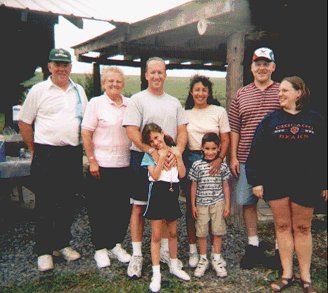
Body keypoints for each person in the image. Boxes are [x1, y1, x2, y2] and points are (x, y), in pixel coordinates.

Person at [246, 76, 327, 293]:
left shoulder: (316, 120)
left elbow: (323, 154)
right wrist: (256, 180)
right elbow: (256, 152)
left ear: (298, 93)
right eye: (279, 91)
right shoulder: (270, 120)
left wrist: (324, 181)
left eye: (285, 90)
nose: (280, 94)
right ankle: (286, 274)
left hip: (306, 182)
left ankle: (306, 277)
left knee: (302, 228)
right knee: (281, 226)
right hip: (276, 181)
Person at [19, 48, 88, 271]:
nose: (61, 68)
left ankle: (62, 244)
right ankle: (44, 250)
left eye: (65, 64)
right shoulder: (38, 91)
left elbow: (86, 123)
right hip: (46, 153)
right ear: (49, 66)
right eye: (57, 64)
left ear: (70, 67)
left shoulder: (78, 91)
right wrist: (33, 150)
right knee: (46, 203)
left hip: (72, 153)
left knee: (68, 202)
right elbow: (24, 122)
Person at [122, 57, 188, 278]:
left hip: (169, 162)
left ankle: (169, 256)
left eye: (161, 72)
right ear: (146, 75)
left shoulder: (174, 102)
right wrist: (151, 151)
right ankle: (137, 255)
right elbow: (131, 131)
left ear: (165, 75)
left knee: (168, 209)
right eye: (153, 72)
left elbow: (182, 131)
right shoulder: (137, 100)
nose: (157, 76)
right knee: (139, 207)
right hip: (144, 160)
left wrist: (176, 150)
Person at [228, 47, 281, 269]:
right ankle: (253, 246)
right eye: (257, 64)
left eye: (265, 63)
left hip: (276, 162)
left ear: (273, 67)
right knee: (247, 203)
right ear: (251, 67)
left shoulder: (281, 91)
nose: (261, 68)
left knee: (278, 205)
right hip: (246, 160)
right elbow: (235, 128)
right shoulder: (241, 94)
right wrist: (233, 156)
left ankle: (280, 250)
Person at [81, 67, 132, 269]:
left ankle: (115, 244)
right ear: (104, 83)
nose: (114, 85)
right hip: (101, 165)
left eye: (118, 82)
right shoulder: (96, 104)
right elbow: (86, 133)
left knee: (120, 208)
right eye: (110, 81)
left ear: (123, 84)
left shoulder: (129, 104)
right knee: (99, 208)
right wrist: (92, 159)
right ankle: (100, 248)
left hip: (124, 164)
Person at [183, 75, 230, 268]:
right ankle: (194, 250)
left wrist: (219, 159)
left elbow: (225, 139)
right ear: (191, 92)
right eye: (197, 90)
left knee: (214, 204)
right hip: (193, 160)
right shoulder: (185, 113)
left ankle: (214, 253)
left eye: (204, 90)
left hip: (215, 160)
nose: (200, 93)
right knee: (193, 207)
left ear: (208, 92)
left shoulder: (218, 111)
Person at [141, 123, 190, 292]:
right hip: (157, 193)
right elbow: (154, 175)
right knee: (156, 235)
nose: (155, 142)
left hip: (172, 192)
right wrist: (161, 157)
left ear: (162, 133)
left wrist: (179, 156)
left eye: (156, 137)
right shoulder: (150, 155)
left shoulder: (175, 151)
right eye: (151, 140)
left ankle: (174, 265)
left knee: (173, 232)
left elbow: (182, 174)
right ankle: (156, 273)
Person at [189, 132, 231, 278]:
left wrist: (227, 205)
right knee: (201, 232)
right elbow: (193, 185)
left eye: (214, 148)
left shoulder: (223, 166)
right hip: (201, 203)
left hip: (218, 202)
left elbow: (226, 185)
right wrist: (193, 205)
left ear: (219, 148)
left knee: (217, 230)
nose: (210, 152)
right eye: (207, 148)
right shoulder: (197, 165)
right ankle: (203, 259)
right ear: (202, 148)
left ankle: (217, 258)